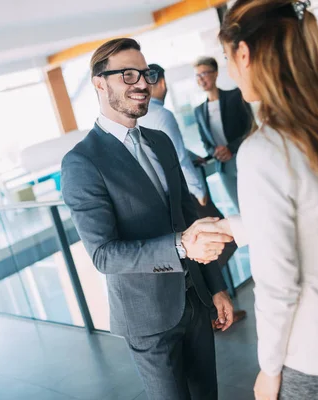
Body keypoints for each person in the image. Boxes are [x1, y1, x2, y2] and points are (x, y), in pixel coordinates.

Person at [196, 0, 318, 398]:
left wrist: (269, 372)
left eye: (226, 56)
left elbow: (278, 284)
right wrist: (230, 227)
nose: (230, 70)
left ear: (244, 52)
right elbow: (314, 219)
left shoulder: (264, 149)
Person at [61, 38, 236, 400]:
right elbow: (103, 255)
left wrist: (216, 286)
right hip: (147, 318)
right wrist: (179, 246)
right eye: (127, 75)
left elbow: (189, 216)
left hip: (197, 301)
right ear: (99, 83)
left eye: (145, 73)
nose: (142, 83)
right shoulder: (81, 162)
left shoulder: (160, 141)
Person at [139, 63, 247, 327]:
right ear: (161, 83)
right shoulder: (162, 114)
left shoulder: (141, 116)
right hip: (187, 194)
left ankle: (211, 305)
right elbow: (179, 159)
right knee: (218, 241)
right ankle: (213, 306)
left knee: (200, 246)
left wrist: (194, 156)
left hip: (165, 198)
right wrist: (199, 191)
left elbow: (174, 151)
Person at [193, 56, 253, 211]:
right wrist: (215, 152)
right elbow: (206, 143)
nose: (201, 79)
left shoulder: (235, 96)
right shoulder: (199, 111)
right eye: (197, 75)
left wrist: (230, 149)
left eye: (204, 73)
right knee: (241, 209)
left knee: (256, 203)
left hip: (244, 158)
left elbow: (252, 129)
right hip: (224, 168)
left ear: (215, 73)